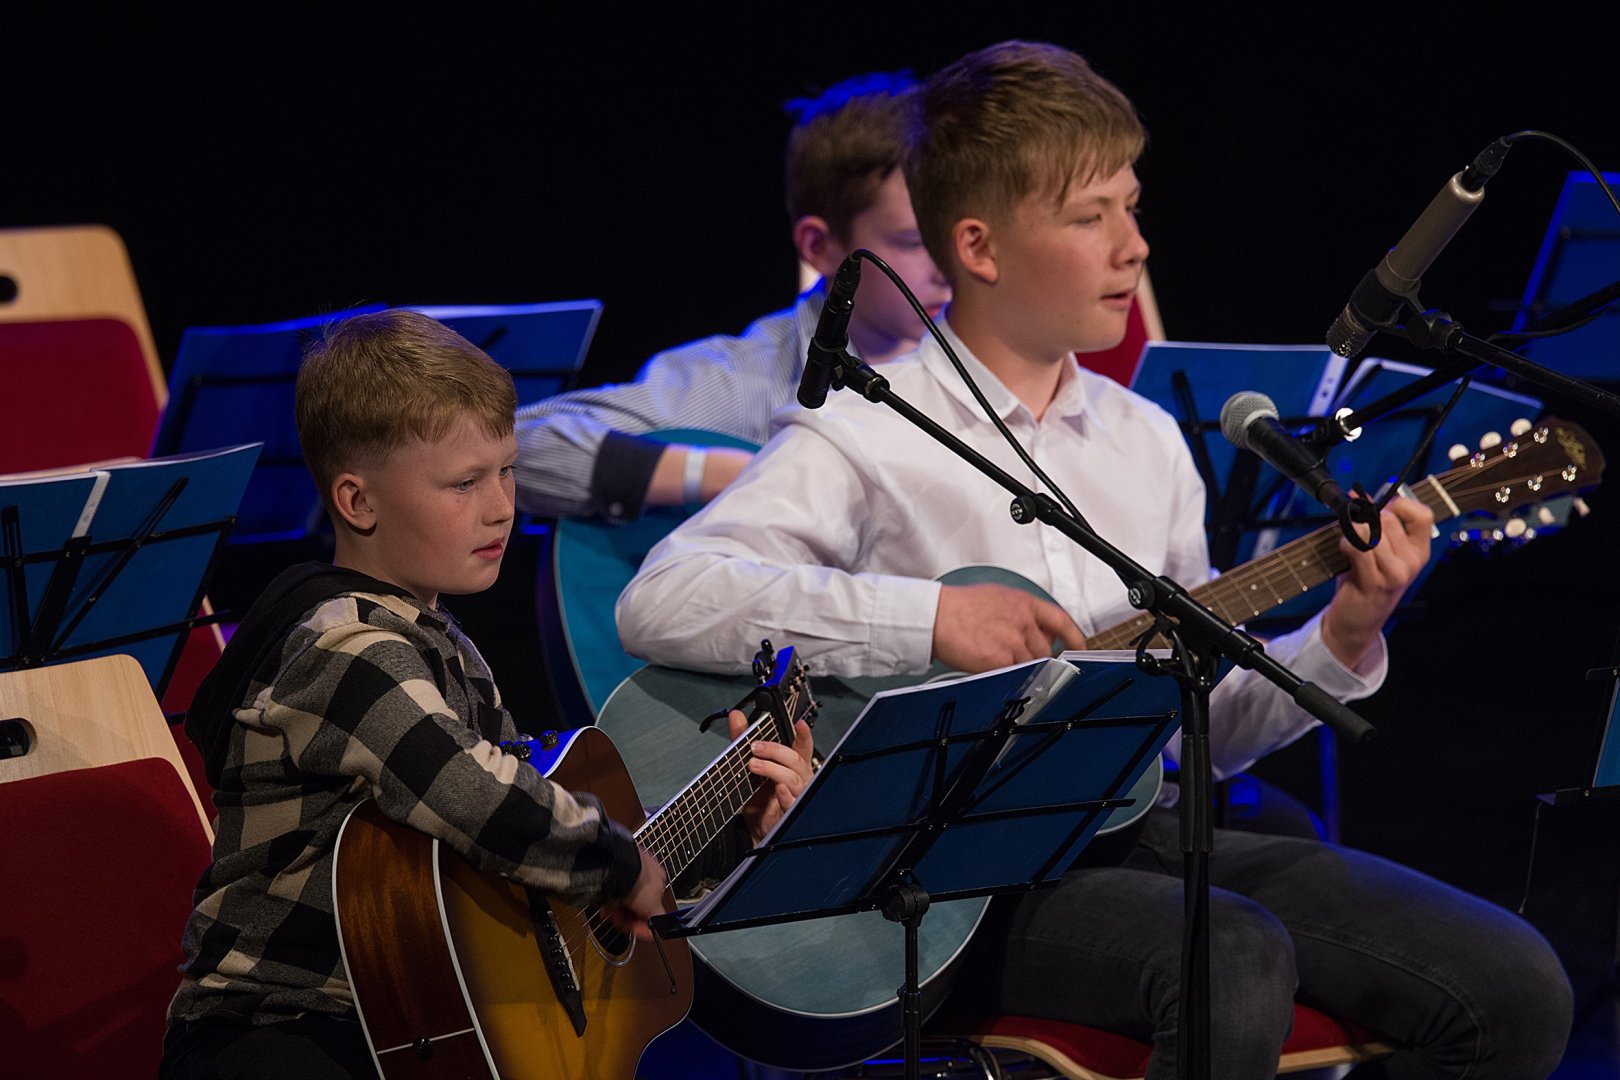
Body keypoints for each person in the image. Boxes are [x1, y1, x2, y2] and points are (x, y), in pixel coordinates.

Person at [615, 42, 1572, 1079]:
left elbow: (1204, 737)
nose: (1134, 247)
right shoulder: (866, 430)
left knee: (1515, 986)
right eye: (1092, 217)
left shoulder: (1145, 441)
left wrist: (1345, 631)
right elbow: (663, 598)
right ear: (979, 246)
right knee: (1230, 957)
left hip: (1132, 836)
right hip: (938, 878)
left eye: (1133, 207)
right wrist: (931, 620)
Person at [160, 310, 811, 1078]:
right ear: (358, 502)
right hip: (279, 1036)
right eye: (464, 483)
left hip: (409, 1028)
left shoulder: (445, 644)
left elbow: (528, 873)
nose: (502, 505)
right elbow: (479, 797)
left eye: (506, 470)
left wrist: (733, 829)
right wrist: (622, 865)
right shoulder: (345, 648)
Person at [513, 70, 950, 522]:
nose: (949, 267)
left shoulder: (977, 363)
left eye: (960, 236)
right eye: (915, 242)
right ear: (819, 247)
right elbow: (515, 445)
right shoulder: (747, 380)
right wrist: (725, 474)